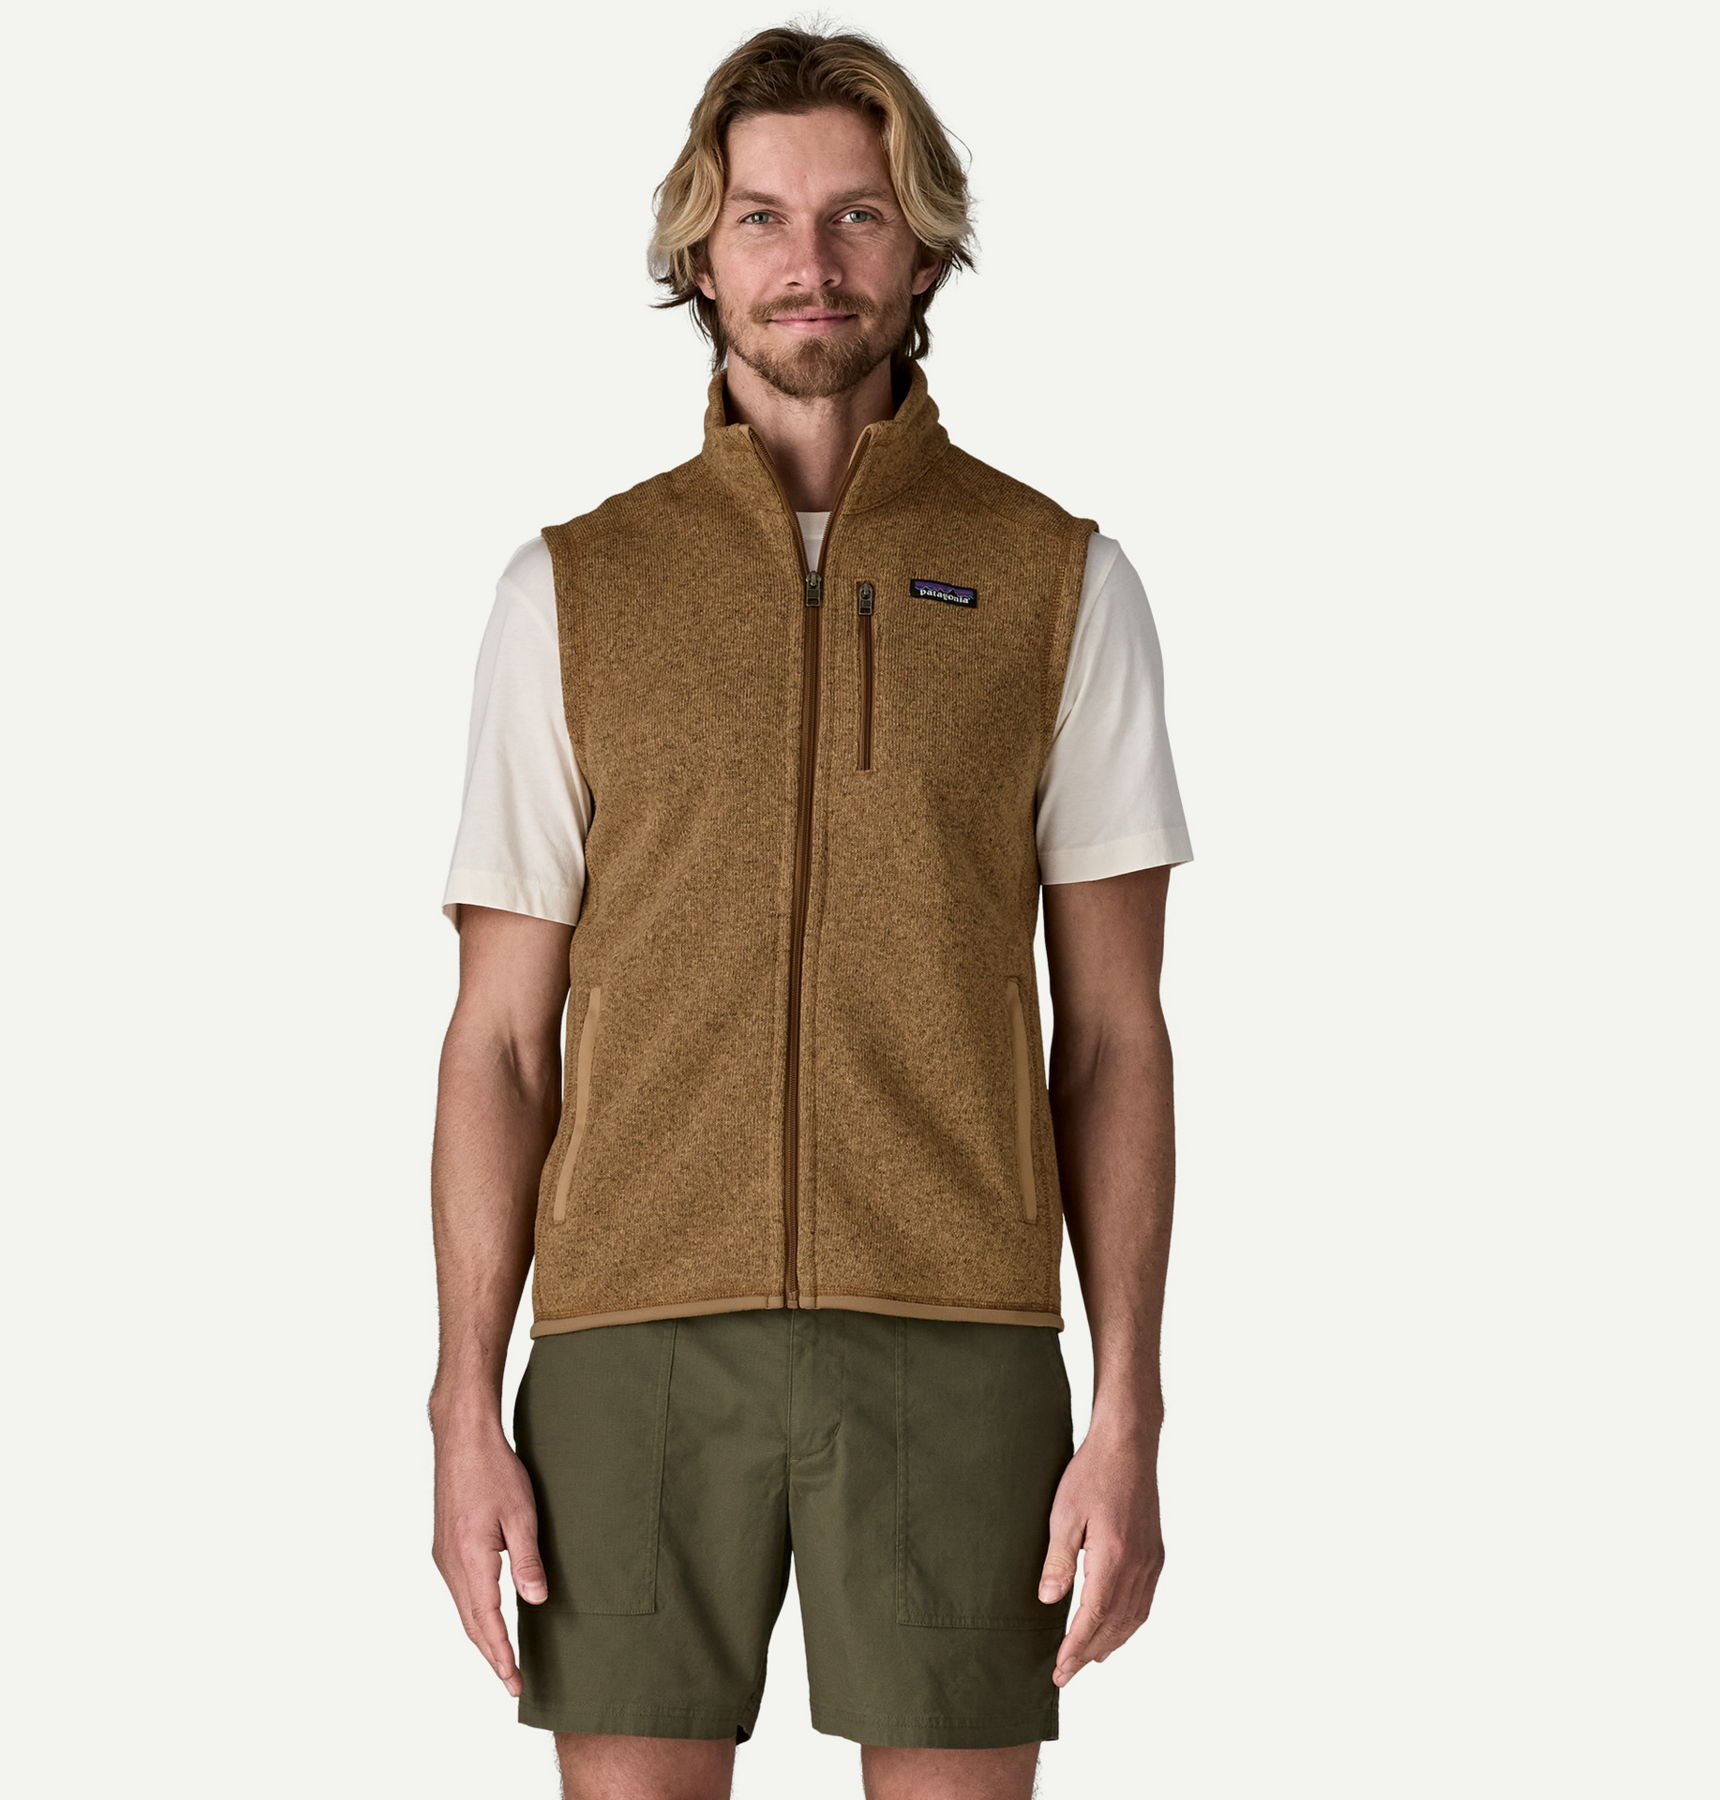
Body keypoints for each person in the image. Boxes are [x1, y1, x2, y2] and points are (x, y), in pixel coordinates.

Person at [429, 26, 1192, 1800]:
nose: (811, 262)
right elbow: (499, 1039)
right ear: (699, 256)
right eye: (762, 218)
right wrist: (464, 1397)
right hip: (630, 1342)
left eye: (858, 215)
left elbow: (1116, 1036)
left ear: (924, 249)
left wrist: (1131, 1406)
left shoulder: (1060, 583)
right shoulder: (572, 591)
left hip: (958, 1341)